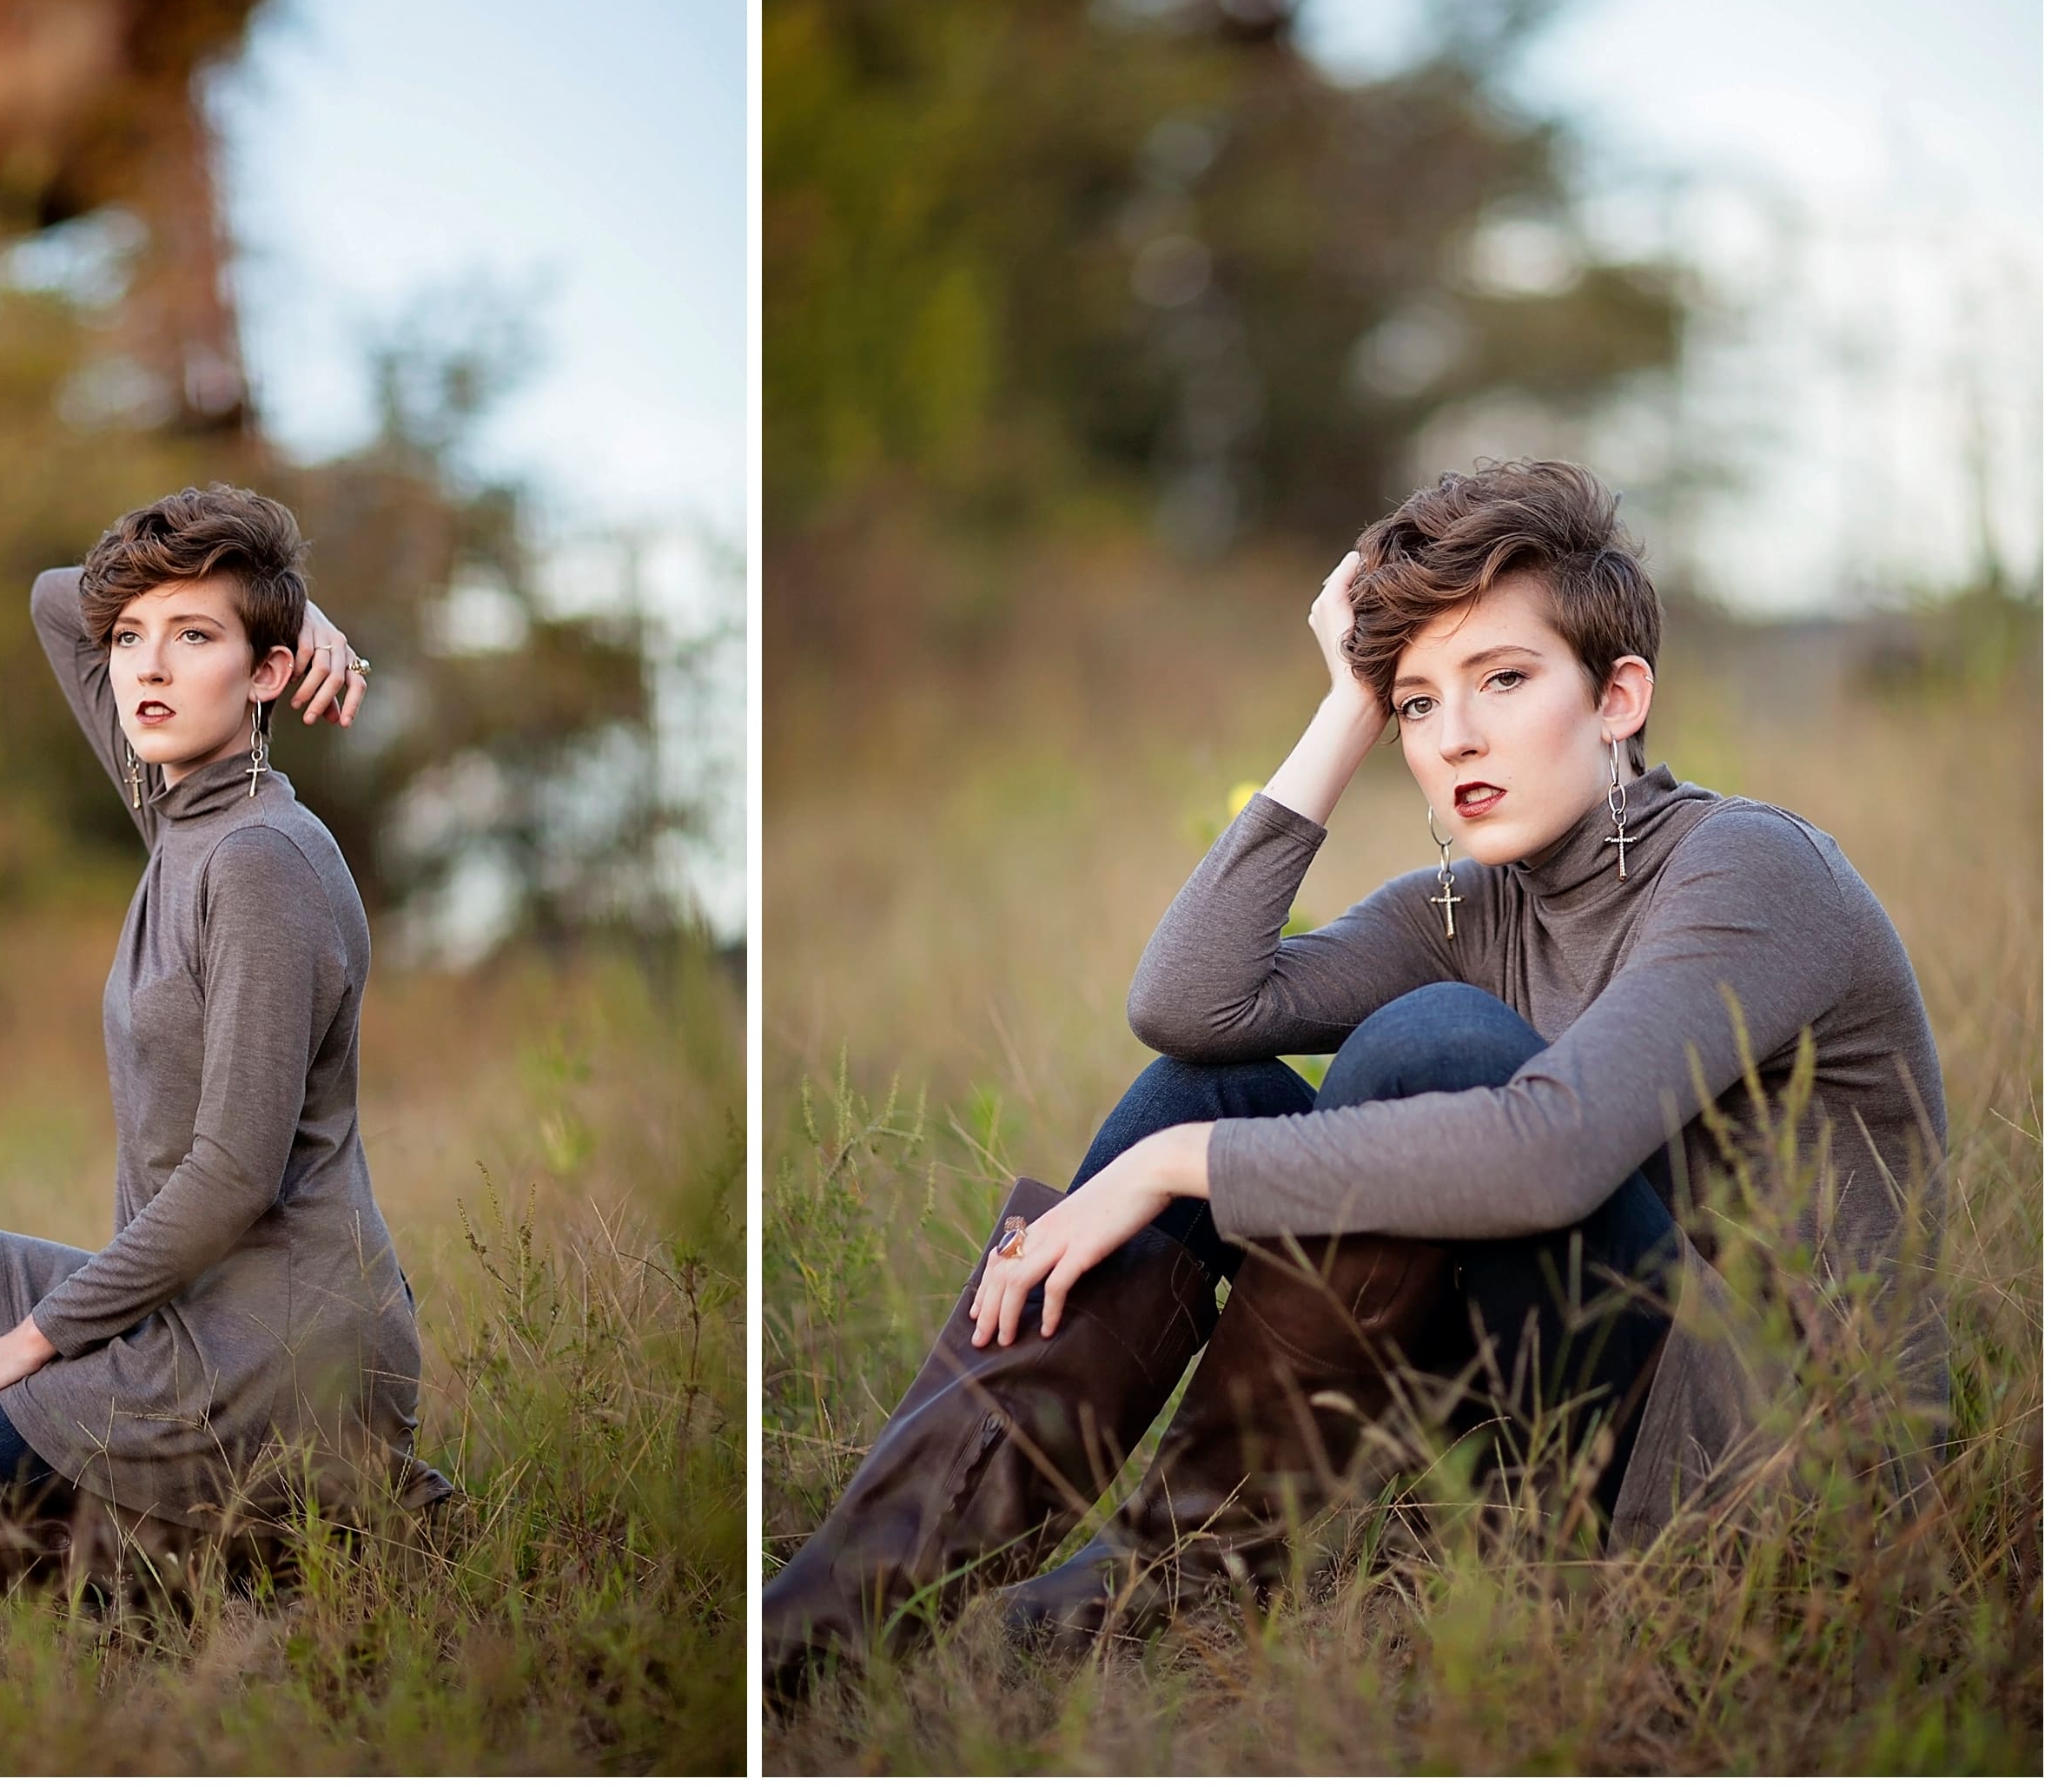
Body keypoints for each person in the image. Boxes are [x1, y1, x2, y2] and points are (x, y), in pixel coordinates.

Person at [762, 459, 1948, 1687]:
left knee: (1430, 1046)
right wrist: (1343, 708)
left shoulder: (1752, 868)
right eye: (1420, 704)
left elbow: (1555, 1149)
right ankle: (836, 1619)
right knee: (1206, 1088)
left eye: (1503, 679)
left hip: (1773, 1483)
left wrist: (1175, 1173)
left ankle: (1170, 1578)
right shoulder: (1473, 903)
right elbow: (1188, 1005)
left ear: (1617, 696)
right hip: (1542, 1437)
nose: (1457, 738)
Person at [0, 482, 438, 1600]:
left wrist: (23, 1345)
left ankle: (248, 1558)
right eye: (134, 637)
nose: (147, 666)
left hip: (277, 1349)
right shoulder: (175, 806)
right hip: (192, 1300)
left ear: (265, 675)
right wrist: (299, 610)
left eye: (195, 638)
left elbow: (233, 1177)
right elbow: (56, 603)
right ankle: (153, 1507)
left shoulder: (258, 863)